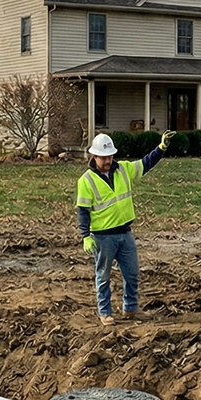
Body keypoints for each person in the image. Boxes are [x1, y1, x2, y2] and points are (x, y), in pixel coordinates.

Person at [76, 130, 173, 325]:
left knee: (132, 273)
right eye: (104, 157)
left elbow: (146, 163)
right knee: (103, 275)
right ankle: (105, 312)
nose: (108, 160)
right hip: (103, 237)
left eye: (110, 156)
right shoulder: (86, 181)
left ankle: (130, 308)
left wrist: (161, 148)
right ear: (94, 156)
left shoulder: (123, 170)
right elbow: (83, 210)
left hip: (125, 233)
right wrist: (85, 236)